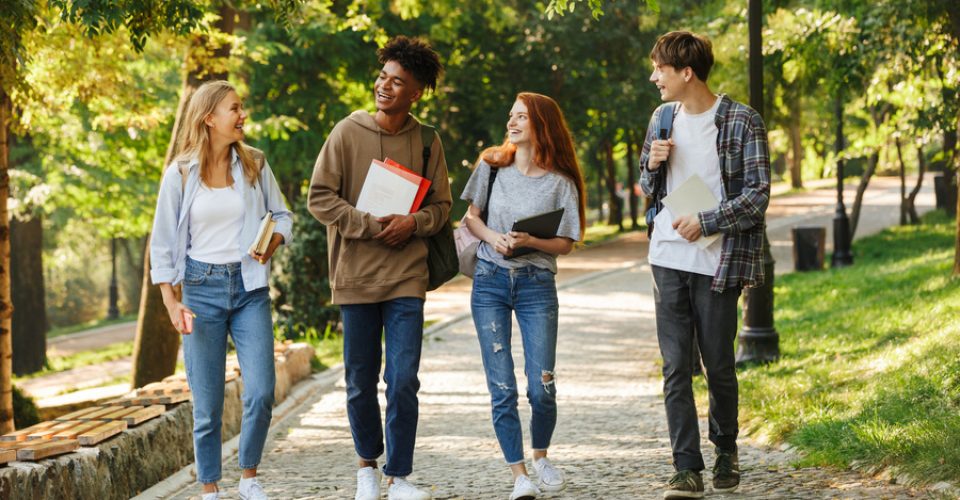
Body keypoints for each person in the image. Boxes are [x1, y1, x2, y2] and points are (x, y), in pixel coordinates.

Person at [307, 36, 449, 500]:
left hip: (407, 275)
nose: (385, 87)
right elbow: (320, 197)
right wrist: (367, 225)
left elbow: (443, 206)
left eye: (397, 82)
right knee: (359, 380)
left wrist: (413, 222)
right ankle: (366, 465)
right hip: (355, 276)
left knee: (404, 378)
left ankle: (399, 475)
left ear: (417, 92)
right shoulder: (346, 132)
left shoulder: (428, 141)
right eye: (382, 77)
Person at [639, 31, 771, 499]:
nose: (654, 77)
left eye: (660, 69)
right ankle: (685, 468)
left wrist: (708, 219)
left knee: (717, 363)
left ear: (686, 72)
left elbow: (757, 196)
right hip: (667, 257)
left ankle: (726, 448)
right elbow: (646, 186)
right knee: (676, 367)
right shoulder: (661, 118)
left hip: (718, 260)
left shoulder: (740, 121)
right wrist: (651, 167)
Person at [150, 80, 293, 500]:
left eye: (242, 107)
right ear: (209, 117)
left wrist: (273, 242)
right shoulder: (179, 174)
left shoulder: (254, 163)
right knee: (208, 404)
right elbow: (161, 243)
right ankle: (210, 488)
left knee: (263, 390)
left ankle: (249, 477)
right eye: (235, 108)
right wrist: (170, 301)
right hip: (199, 290)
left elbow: (282, 215)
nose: (242, 115)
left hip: (249, 288)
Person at [460, 92, 586, 500]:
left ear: (541, 125)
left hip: (536, 284)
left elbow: (566, 243)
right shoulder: (491, 166)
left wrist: (531, 239)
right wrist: (495, 238)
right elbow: (471, 219)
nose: (511, 123)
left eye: (521, 117)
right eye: (510, 115)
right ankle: (519, 475)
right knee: (502, 388)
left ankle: (542, 455)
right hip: (490, 281)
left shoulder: (561, 182)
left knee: (541, 385)